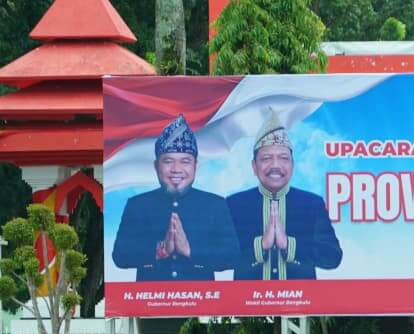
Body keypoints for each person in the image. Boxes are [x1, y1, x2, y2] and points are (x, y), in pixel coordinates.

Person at [111, 114, 237, 281]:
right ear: (156, 166)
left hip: (203, 303)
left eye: (185, 161)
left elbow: (233, 256)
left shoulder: (215, 204)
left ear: (195, 166)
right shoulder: (138, 205)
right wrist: (159, 250)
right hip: (150, 302)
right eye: (168, 161)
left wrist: (190, 249)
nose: (176, 169)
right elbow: (120, 256)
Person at [228, 109, 343, 280]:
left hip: (301, 304)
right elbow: (221, 258)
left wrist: (289, 245)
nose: (275, 165)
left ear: (292, 165)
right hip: (248, 304)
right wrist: (261, 246)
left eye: (283, 158)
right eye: (266, 158)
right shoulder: (234, 205)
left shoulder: (311, 204)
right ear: (254, 166)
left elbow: (332, 257)